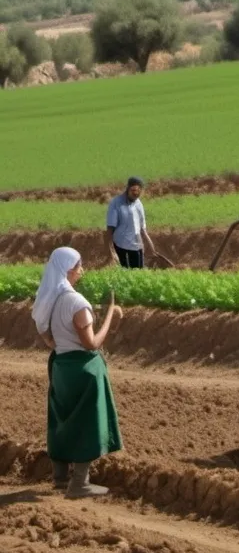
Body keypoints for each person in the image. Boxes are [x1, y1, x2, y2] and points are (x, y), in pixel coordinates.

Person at [33, 247, 123, 499]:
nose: (82, 270)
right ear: (69, 269)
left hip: (61, 366)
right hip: (84, 371)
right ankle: (80, 483)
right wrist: (109, 316)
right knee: (88, 422)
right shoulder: (76, 303)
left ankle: (60, 477)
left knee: (62, 418)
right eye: (79, 265)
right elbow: (91, 343)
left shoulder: (48, 301)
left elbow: (50, 341)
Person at [105, 177, 155, 269]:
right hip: (121, 246)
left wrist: (151, 246)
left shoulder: (139, 204)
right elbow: (110, 229)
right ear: (128, 188)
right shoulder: (116, 203)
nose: (136, 193)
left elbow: (143, 229)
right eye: (133, 190)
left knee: (137, 273)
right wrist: (110, 251)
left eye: (138, 191)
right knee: (124, 273)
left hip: (136, 246)